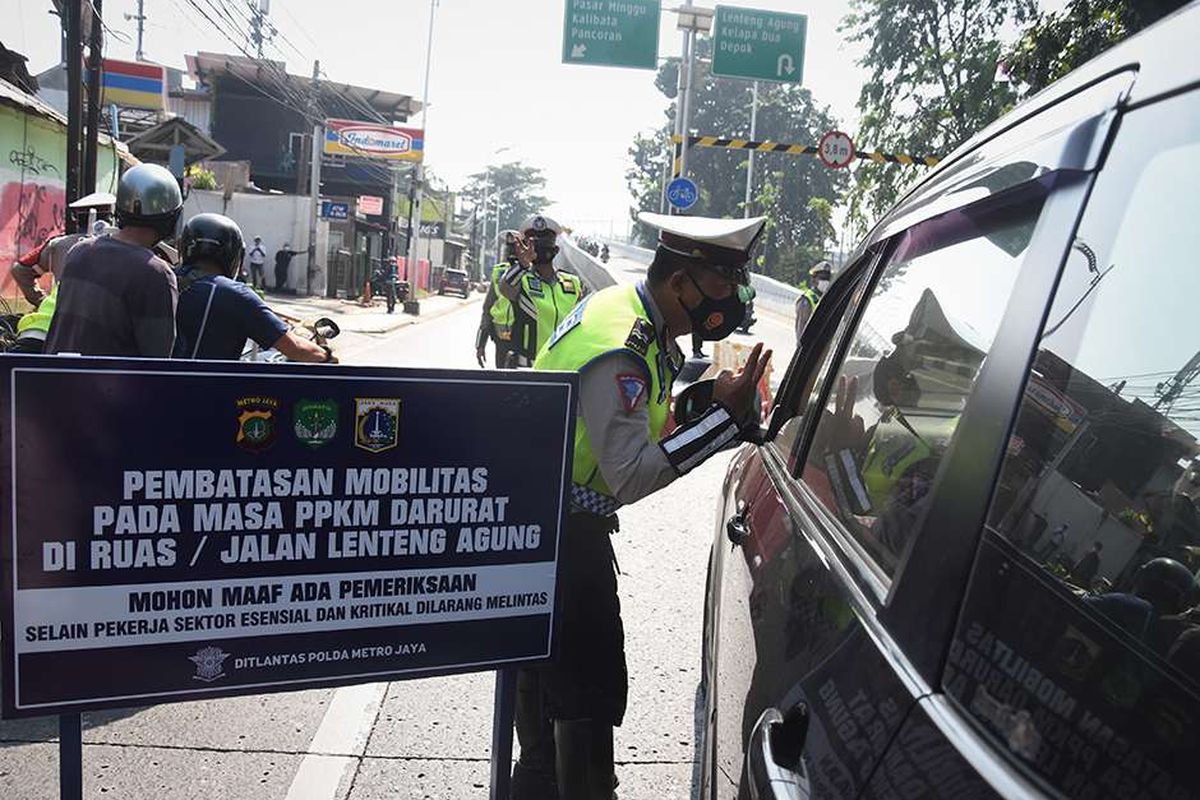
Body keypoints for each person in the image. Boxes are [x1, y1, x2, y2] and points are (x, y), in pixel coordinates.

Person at [521, 210, 771, 798]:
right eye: (721, 284)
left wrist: (708, 396)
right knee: (587, 686)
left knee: (550, 677)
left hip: (545, 517)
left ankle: (537, 782)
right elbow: (630, 471)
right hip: (563, 530)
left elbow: (643, 415)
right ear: (681, 282)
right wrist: (724, 424)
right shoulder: (623, 346)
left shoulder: (635, 317)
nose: (732, 299)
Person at [45, 163, 182, 358]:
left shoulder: (80, 251)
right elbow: (157, 359)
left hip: (53, 379)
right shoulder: (156, 273)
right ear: (171, 218)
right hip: (108, 387)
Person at [172, 213, 334, 363]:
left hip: (151, 386)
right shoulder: (236, 296)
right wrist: (326, 355)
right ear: (234, 254)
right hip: (207, 390)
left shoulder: (163, 276)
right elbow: (295, 348)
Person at [8, 192, 116, 353]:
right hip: (97, 329)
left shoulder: (57, 245)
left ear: (76, 217)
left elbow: (20, 270)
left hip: (51, 326)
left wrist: (42, 301)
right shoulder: (122, 249)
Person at [497, 214, 585, 368]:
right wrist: (522, 265)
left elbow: (581, 324)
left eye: (544, 243)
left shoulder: (572, 283)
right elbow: (505, 287)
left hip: (562, 368)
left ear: (556, 250)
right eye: (532, 243)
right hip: (526, 370)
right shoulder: (521, 279)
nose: (537, 249)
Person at [476, 230, 519, 368]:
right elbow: (488, 309)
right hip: (500, 339)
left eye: (515, 248)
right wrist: (481, 344)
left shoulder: (531, 274)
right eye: (509, 248)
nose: (511, 253)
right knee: (502, 382)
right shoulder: (499, 272)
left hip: (522, 342)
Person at [795, 261, 832, 347]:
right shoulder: (806, 300)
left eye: (827, 278)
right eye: (822, 277)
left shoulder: (829, 297)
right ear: (814, 279)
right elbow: (801, 333)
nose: (825, 281)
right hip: (811, 348)